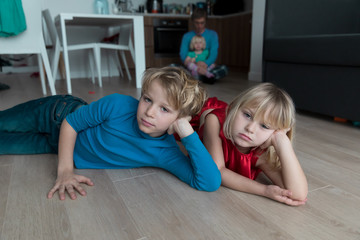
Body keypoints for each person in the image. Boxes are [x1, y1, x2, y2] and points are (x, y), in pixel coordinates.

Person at [0, 66, 221, 200]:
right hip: (57, 115)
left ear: (179, 118)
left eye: (164, 109)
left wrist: (187, 134)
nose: (150, 112)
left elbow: (209, 182)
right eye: (147, 99)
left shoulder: (165, 152)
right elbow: (71, 123)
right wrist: (66, 170)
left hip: (54, 146)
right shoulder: (118, 104)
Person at [189, 83, 308, 206]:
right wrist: (264, 190)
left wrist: (282, 142)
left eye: (264, 126)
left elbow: (298, 194)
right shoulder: (214, 121)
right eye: (247, 115)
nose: (250, 128)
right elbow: (217, 171)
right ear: (233, 109)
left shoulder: (261, 152)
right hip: (200, 113)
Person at [179, 8, 227, 83]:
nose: (199, 26)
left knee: (224, 68)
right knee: (172, 67)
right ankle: (206, 77)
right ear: (192, 22)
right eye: (197, 23)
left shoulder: (213, 34)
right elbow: (183, 55)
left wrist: (205, 63)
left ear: (206, 21)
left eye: (202, 23)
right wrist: (195, 64)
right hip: (192, 66)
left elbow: (213, 54)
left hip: (206, 65)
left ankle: (193, 78)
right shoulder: (187, 36)